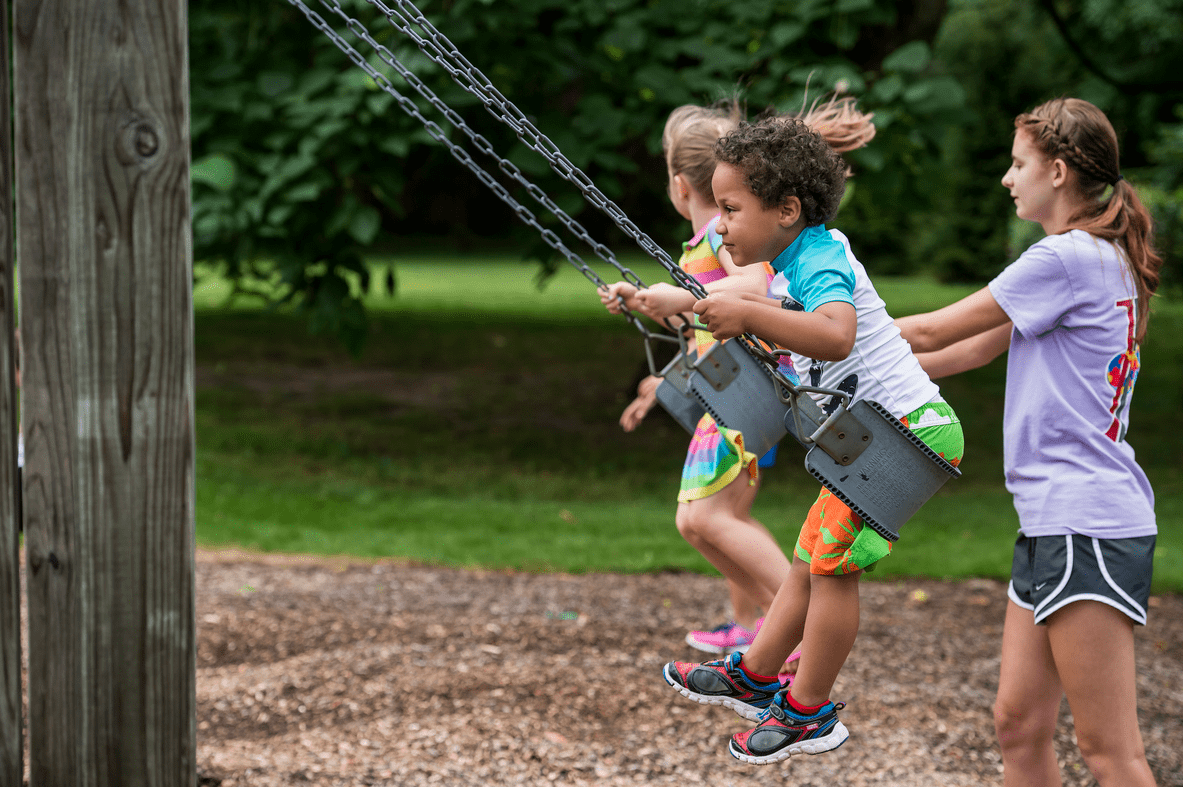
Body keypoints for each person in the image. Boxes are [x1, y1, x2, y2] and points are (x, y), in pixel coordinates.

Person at [660, 115, 964, 764]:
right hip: (875, 436)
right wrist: (734, 313)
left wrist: (748, 313)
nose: (719, 226)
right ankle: (755, 673)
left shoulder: (821, 257)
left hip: (907, 430)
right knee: (808, 559)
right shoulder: (793, 259)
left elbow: (834, 334)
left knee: (831, 569)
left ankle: (808, 711)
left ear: (787, 210)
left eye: (731, 209)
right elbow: (785, 318)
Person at [895, 97, 1160, 787]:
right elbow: (973, 349)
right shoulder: (1093, 257)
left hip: (1085, 523)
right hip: (1054, 519)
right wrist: (854, 370)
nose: (1007, 178)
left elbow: (932, 329)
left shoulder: (1066, 258)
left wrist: (824, 336)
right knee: (1018, 724)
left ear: (1058, 171)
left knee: (1109, 752)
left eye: (1018, 164)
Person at [600, 96, 876, 659]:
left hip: (741, 396)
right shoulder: (709, 240)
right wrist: (648, 302)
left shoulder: (719, 238)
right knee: (705, 520)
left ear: (680, 185)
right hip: (728, 392)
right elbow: (701, 320)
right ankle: (772, 623)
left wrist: (683, 297)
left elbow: (755, 286)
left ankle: (788, 623)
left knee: (708, 518)